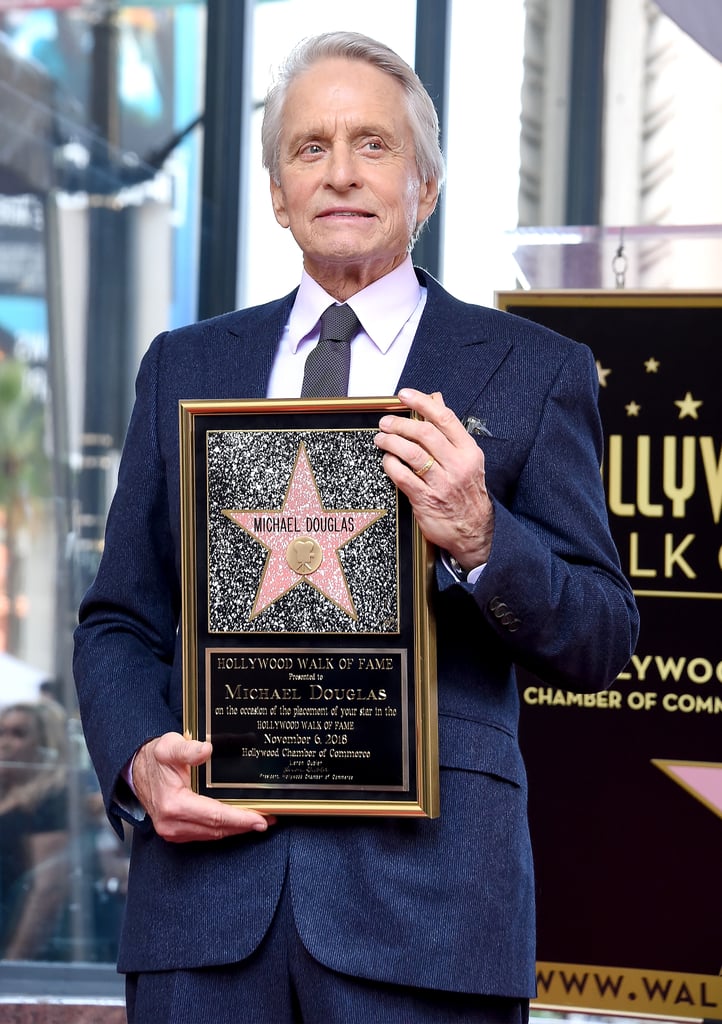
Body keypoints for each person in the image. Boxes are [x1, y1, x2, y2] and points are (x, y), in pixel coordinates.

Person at [73, 30, 639, 1023]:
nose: (339, 172)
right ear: (277, 192)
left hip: (427, 917)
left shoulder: (532, 367)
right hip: (204, 909)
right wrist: (134, 756)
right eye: (309, 147)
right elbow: (118, 619)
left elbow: (600, 635)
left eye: (372, 145)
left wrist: (478, 535)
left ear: (422, 185)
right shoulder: (182, 365)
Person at [0, 700, 69, 960]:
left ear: (45, 746)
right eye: (1, 732)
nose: (5, 743)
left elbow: (47, 888)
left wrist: (16, 960)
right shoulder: (6, 794)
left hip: (13, 936)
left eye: (18, 734)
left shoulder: (49, 801)